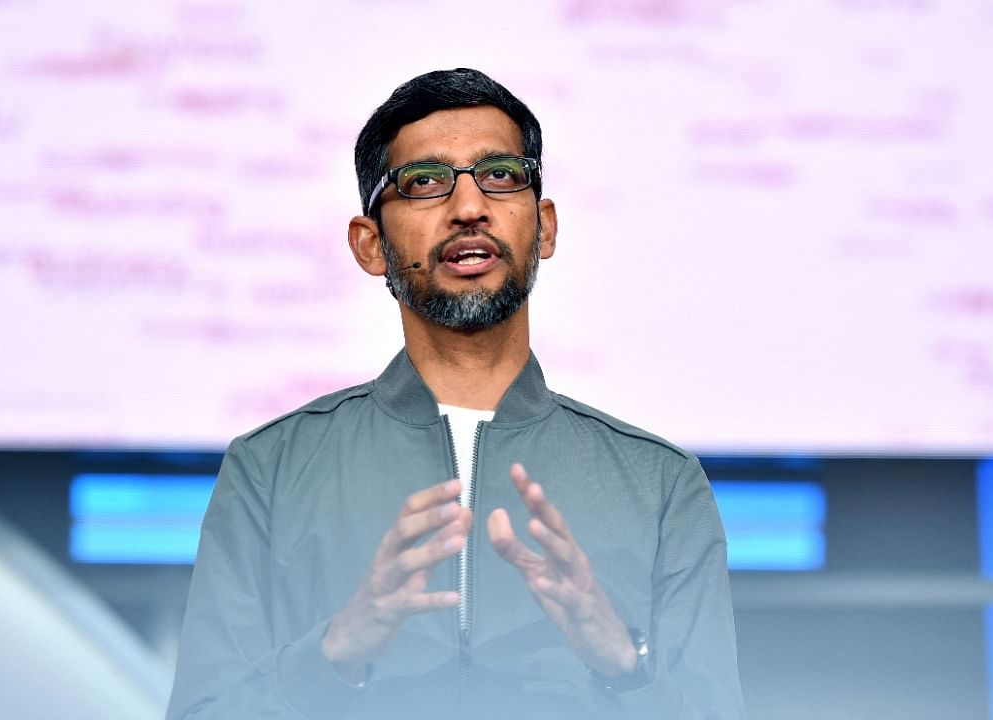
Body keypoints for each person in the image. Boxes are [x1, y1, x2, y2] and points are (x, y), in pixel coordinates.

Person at [166, 68, 745, 720]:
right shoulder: (268, 471)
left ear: (545, 227)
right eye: (424, 182)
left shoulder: (661, 487)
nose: (470, 207)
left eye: (500, 175)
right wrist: (336, 652)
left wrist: (621, 661)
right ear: (369, 246)